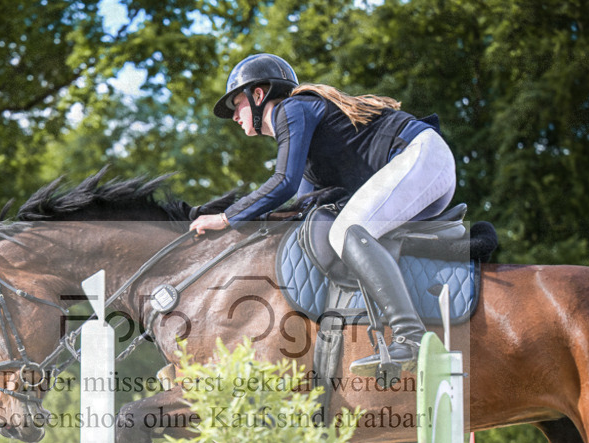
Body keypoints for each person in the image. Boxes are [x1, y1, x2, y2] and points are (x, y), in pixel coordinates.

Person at [190, 53, 457, 376]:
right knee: (333, 233)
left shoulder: (292, 109)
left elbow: (283, 184)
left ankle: (410, 338)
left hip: (421, 157)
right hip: (423, 172)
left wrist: (225, 218)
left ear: (258, 95)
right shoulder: (305, 145)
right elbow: (303, 207)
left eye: (237, 104)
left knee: (346, 232)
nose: (234, 116)